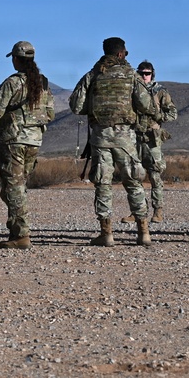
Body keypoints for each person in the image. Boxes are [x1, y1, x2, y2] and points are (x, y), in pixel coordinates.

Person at [69, 37, 157, 247]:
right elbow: (146, 105)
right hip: (125, 137)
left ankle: (106, 233)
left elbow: (76, 105)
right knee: (133, 182)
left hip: (100, 136)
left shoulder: (92, 74)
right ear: (120, 54)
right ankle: (143, 232)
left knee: (103, 183)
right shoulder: (131, 76)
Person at [0, 41, 55, 249]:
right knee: (19, 186)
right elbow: (50, 114)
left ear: (16, 59)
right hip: (34, 141)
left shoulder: (12, 83)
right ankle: (17, 229)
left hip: (13, 141)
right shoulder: (43, 82)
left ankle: (21, 234)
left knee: (13, 188)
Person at [120, 61, 178, 224]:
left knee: (154, 175)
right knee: (133, 176)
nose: (145, 76)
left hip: (152, 138)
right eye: (142, 73)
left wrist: (159, 116)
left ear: (152, 74)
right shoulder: (131, 91)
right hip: (133, 136)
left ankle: (157, 211)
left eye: (148, 73)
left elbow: (173, 113)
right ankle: (137, 211)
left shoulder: (160, 92)